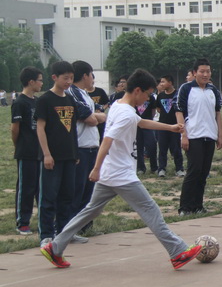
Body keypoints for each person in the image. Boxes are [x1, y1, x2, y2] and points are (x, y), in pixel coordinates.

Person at [40, 69, 202, 270]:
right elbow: (107, 140)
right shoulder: (125, 113)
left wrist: (170, 127)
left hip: (110, 172)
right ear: (137, 90)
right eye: (147, 94)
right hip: (121, 174)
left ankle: (55, 247)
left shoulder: (119, 105)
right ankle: (178, 251)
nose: (148, 99)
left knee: (90, 210)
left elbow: (140, 122)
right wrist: (96, 168)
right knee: (150, 209)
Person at [35, 61, 78, 246]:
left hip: (69, 156)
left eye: (71, 78)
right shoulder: (45, 100)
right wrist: (46, 154)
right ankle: (46, 235)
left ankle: (64, 233)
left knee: (67, 197)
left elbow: (73, 129)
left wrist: (75, 153)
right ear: (54, 77)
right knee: (48, 197)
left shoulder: (70, 100)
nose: (69, 82)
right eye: (65, 78)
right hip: (52, 157)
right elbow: (40, 128)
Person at [175, 58, 222, 215]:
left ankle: (198, 206)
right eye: (202, 71)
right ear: (194, 73)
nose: (205, 74)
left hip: (209, 135)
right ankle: (185, 207)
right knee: (194, 170)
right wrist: (184, 135)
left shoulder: (213, 90)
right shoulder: (186, 89)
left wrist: (220, 135)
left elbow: (217, 113)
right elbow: (179, 111)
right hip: (193, 135)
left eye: (208, 71)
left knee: (203, 172)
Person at [67, 61, 107, 241]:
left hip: (92, 147)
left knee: (89, 192)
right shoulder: (72, 93)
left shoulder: (85, 94)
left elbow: (101, 115)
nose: (93, 79)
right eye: (92, 75)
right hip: (80, 147)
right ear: (84, 75)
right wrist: (96, 117)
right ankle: (71, 228)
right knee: (77, 190)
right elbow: (89, 118)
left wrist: (96, 117)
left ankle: (84, 227)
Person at [12, 67, 43, 235]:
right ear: (31, 82)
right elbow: (14, 129)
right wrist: (19, 145)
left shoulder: (37, 101)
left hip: (39, 151)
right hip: (26, 151)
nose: (41, 83)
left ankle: (43, 221)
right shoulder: (19, 102)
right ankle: (22, 222)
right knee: (26, 188)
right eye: (40, 80)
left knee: (40, 187)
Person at [156, 75, 185, 177]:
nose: (161, 84)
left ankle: (179, 169)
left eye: (163, 82)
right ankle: (161, 169)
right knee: (162, 149)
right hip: (162, 126)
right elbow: (158, 109)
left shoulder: (177, 94)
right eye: (161, 82)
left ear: (170, 83)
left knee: (176, 148)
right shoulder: (160, 95)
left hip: (175, 126)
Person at [135, 88, 158, 175]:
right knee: (139, 147)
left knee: (152, 145)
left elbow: (153, 110)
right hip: (137, 125)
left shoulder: (151, 97)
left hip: (148, 124)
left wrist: (149, 120)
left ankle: (154, 167)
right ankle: (140, 167)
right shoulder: (134, 96)